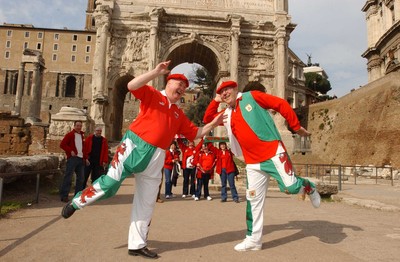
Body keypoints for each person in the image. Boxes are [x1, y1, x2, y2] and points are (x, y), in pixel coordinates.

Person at [61, 60, 224, 259]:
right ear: (167, 83)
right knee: (110, 185)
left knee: (146, 201)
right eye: (178, 84)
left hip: (157, 156)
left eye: (184, 87)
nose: (181, 88)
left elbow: (196, 132)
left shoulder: (178, 113)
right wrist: (155, 72)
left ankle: (137, 244)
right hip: (135, 147)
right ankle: (77, 202)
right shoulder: (153, 95)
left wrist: (213, 123)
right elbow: (131, 86)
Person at [203, 80, 321, 252]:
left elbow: (280, 103)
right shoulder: (226, 113)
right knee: (253, 200)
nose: (225, 93)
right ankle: (253, 239)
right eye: (221, 91)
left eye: (227, 89)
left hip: (272, 152)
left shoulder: (252, 97)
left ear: (236, 88)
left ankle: (309, 186)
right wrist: (215, 101)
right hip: (252, 162)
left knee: (291, 187)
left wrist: (295, 126)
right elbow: (207, 119)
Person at [59, 120, 86, 203]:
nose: (79, 127)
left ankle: (77, 196)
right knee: (68, 177)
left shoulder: (82, 135)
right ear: (74, 126)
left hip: (80, 159)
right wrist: (70, 151)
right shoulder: (70, 135)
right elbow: (62, 144)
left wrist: (85, 158)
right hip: (73, 159)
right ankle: (64, 196)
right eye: (77, 125)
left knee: (81, 178)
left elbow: (83, 148)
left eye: (80, 126)